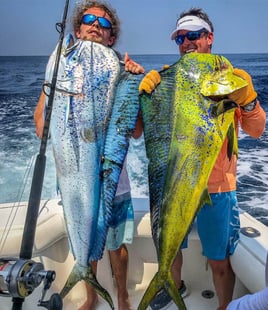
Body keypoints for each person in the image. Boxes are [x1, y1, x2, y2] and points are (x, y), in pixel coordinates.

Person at [139, 7, 266, 310]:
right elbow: (139, 133)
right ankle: (173, 286)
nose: (187, 42)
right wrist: (143, 92)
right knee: (170, 246)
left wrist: (248, 100)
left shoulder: (230, 78)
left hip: (218, 189)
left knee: (219, 258)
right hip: (176, 182)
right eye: (180, 38)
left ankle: (225, 306)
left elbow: (258, 129)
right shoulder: (167, 80)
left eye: (193, 35)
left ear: (210, 38)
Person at [34, 1, 144, 310]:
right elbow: (40, 122)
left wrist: (134, 85)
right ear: (78, 29)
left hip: (115, 179)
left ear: (111, 37)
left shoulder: (121, 71)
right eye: (88, 19)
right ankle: (92, 295)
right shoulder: (59, 67)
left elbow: (135, 132)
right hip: (74, 173)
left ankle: (121, 296)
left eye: (104, 23)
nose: (95, 24)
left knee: (117, 244)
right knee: (85, 238)